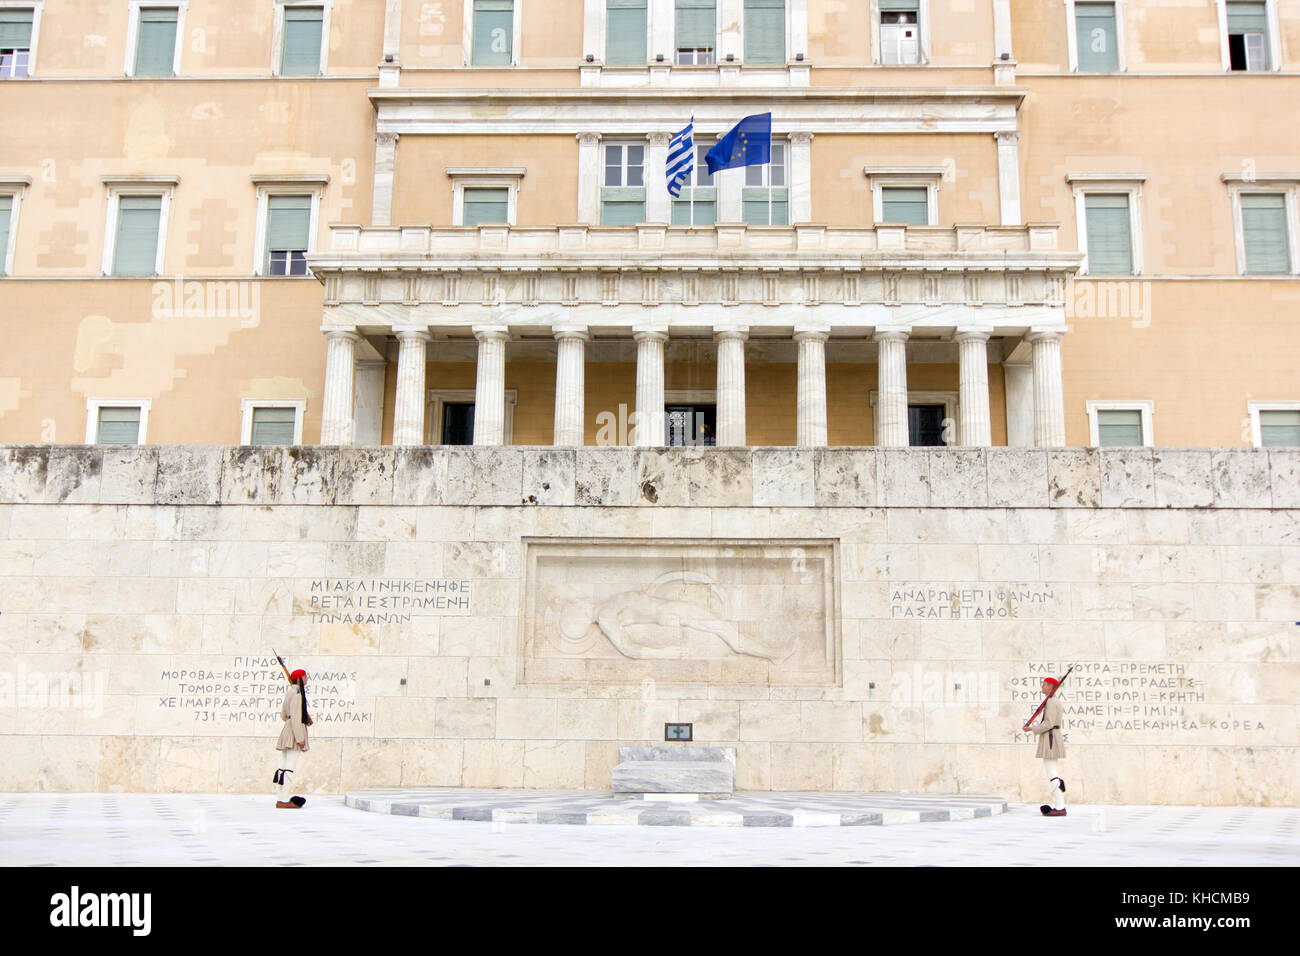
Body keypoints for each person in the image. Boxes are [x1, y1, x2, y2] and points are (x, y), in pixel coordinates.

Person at [1023, 676, 1067, 817]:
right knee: (1052, 772)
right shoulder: (1052, 701)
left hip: (1050, 738)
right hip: (1050, 736)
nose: (1042, 687)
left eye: (1044, 685)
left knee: (1052, 774)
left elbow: (1048, 723)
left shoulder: (1052, 702)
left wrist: (1032, 729)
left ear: (1050, 687)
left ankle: (1060, 807)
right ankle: (1059, 805)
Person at [273, 668, 312, 809]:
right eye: (305, 677)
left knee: (282, 766)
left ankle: (280, 797)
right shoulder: (297, 694)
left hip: (287, 730)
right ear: (300, 679)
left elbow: (284, 715)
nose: (307, 679)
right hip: (295, 732)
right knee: (289, 767)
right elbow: (296, 718)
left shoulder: (290, 692)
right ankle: (283, 799)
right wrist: (300, 738)